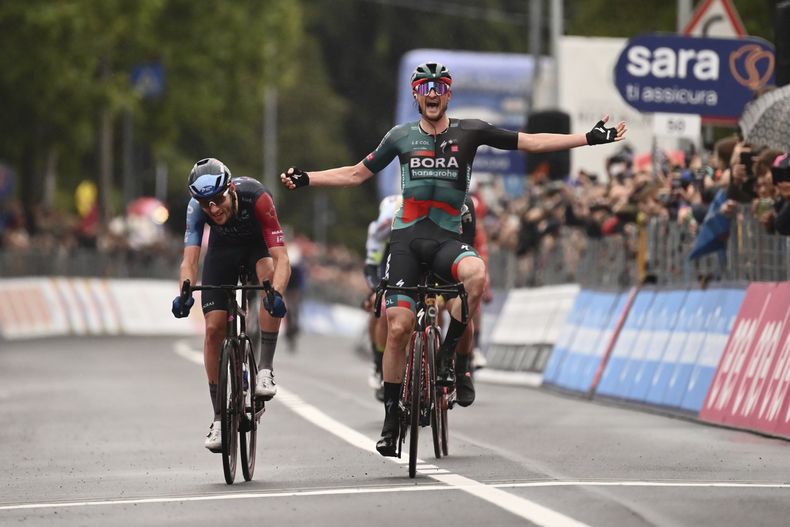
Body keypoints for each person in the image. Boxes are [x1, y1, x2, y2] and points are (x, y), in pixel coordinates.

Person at [280, 62, 626, 457]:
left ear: (448, 94)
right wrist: (308, 177)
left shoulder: (471, 130)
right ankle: (392, 420)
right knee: (398, 327)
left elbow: (530, 142)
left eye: (439, 86)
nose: (431, 92)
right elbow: (357, 174)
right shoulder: (400, 136)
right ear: (415, 94)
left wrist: (586, 138)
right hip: (408, 239)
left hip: (447, 237)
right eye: (424, 86)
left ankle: (450, 357)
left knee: (475, 277)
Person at [172, 158, 290, 452]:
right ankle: (218, 419)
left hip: (257, 248)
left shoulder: (257, 197)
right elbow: (190, 260)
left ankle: (265, 369)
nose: (213, 209)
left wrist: (276, 293)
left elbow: (282, 259)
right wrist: (185, 290)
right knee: (213, 330)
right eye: (205, 204)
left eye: (217, 201)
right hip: (222, 253)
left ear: (231, 191)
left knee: (267, 282)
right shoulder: (195, 209)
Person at [363, 194, 402, 402]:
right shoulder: (379, 230)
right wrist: (374, 290)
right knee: (379, 308)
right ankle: (379, 363)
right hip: (385, 273)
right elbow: (370, 267)